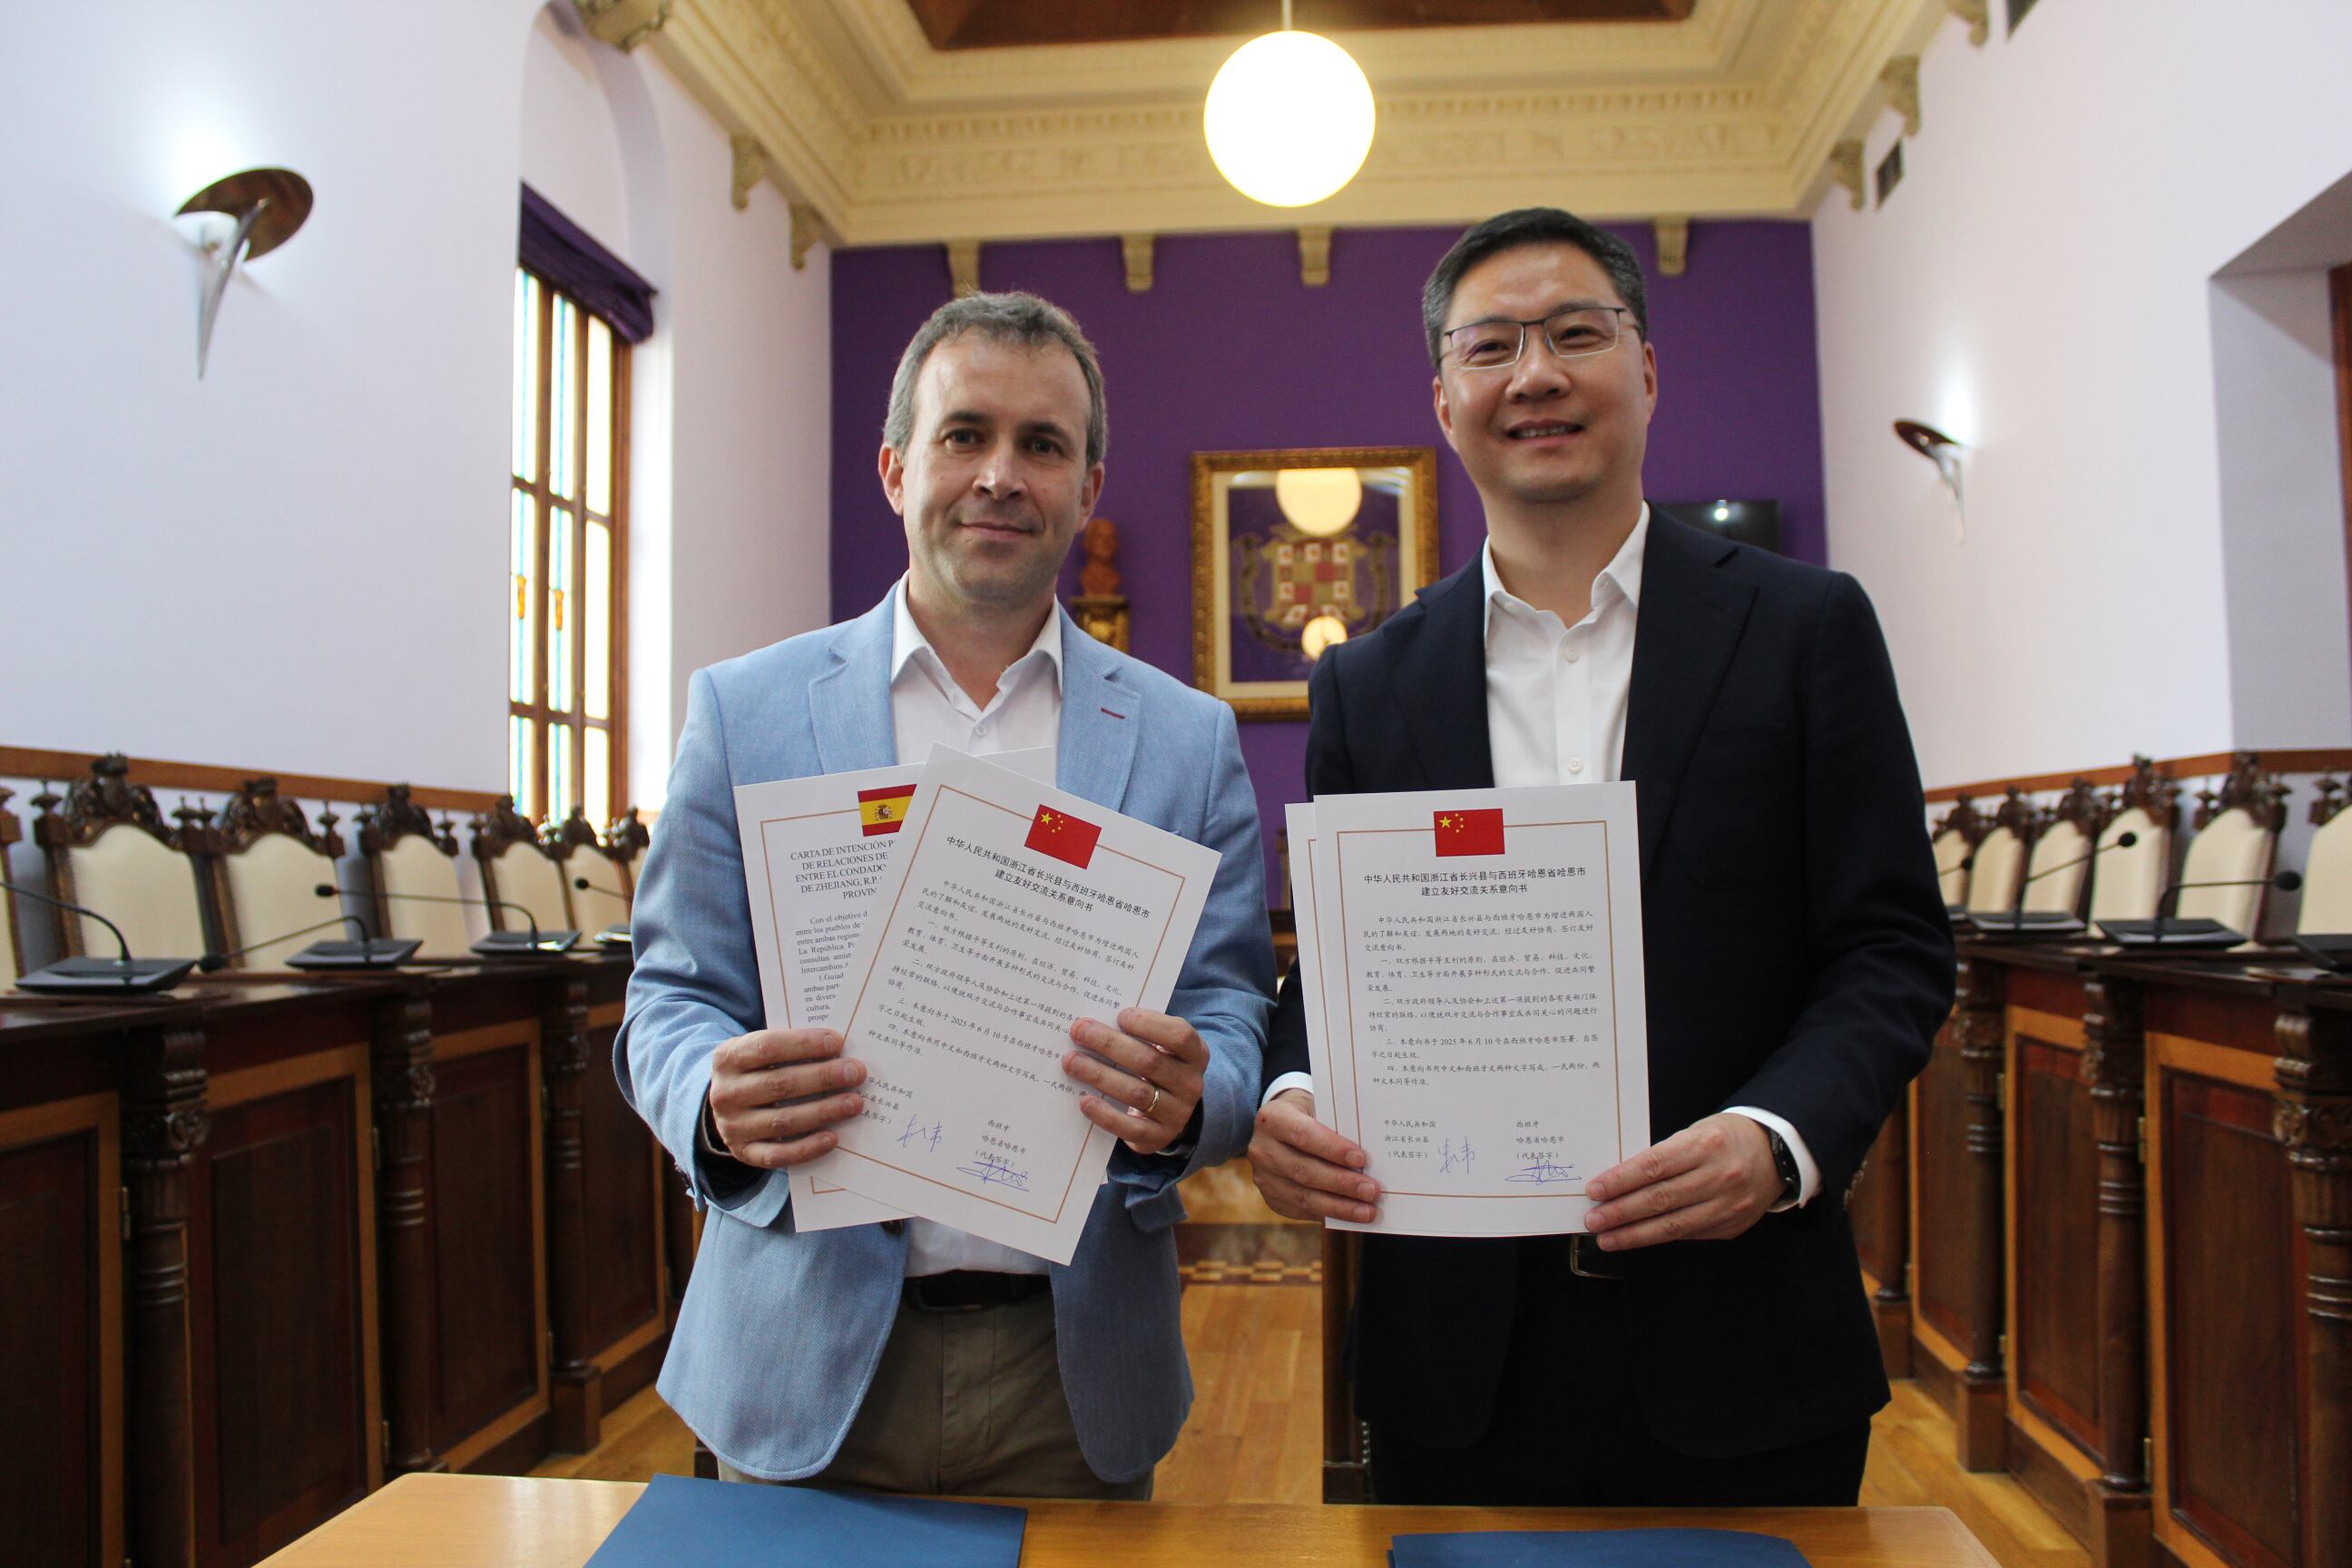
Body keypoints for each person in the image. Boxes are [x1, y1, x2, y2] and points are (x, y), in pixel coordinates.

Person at [1248, 208, 1954, 1505]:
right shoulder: (1368, 685)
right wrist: (1289, 1098)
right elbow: (1334, 981)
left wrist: (1774, 1136)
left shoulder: (1807, 628)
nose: (1537, 374)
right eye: (1493, 346)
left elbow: (1891, 946)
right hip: (1454, 1364)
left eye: (1578, 334)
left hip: (1746, 1337)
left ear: (1647, 370)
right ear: (1448, 400)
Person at [619, 290, 1273, 1497]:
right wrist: (711, 1101)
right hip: (800, 1353)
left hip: (1074, 1370)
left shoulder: (1186, 740)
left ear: (1086, 485)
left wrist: (1194, 1100)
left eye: (1043, 444)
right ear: (895, 466)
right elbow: (669, 996)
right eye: (965, 434)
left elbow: (1232, 1013)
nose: (1000, 476)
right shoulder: (746, 711)